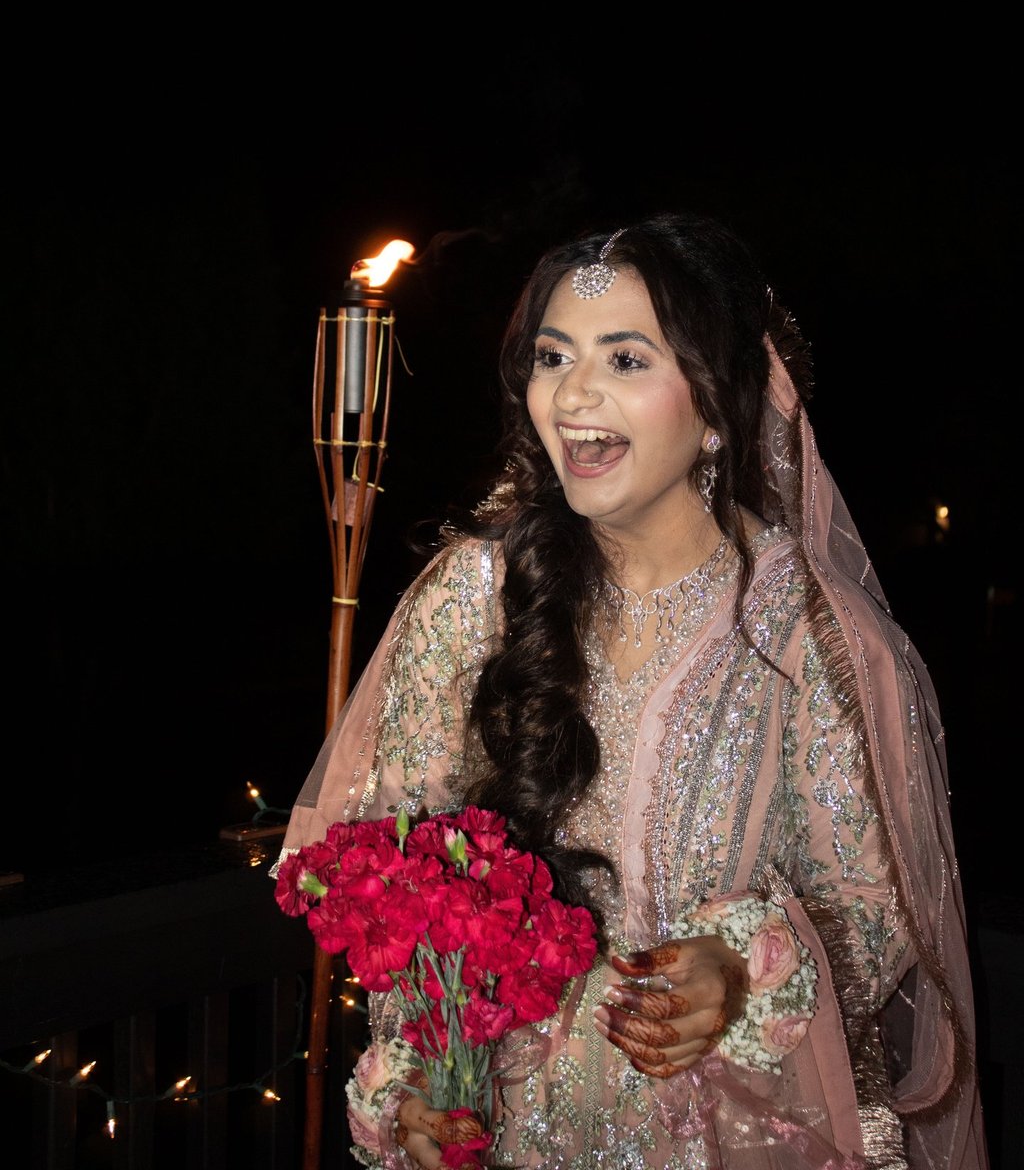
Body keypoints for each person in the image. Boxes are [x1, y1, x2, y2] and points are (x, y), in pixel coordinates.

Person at [274, 212, 989, 1169]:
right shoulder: (472, 595)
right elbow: (396, 873)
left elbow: (875, 911)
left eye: (624, 359)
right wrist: (417, 1079)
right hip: (503, 1125)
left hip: (729, 1131)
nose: (572, 394)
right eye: (553, 356)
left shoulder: (816, 635)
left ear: (716, 405)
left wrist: (738, 971)